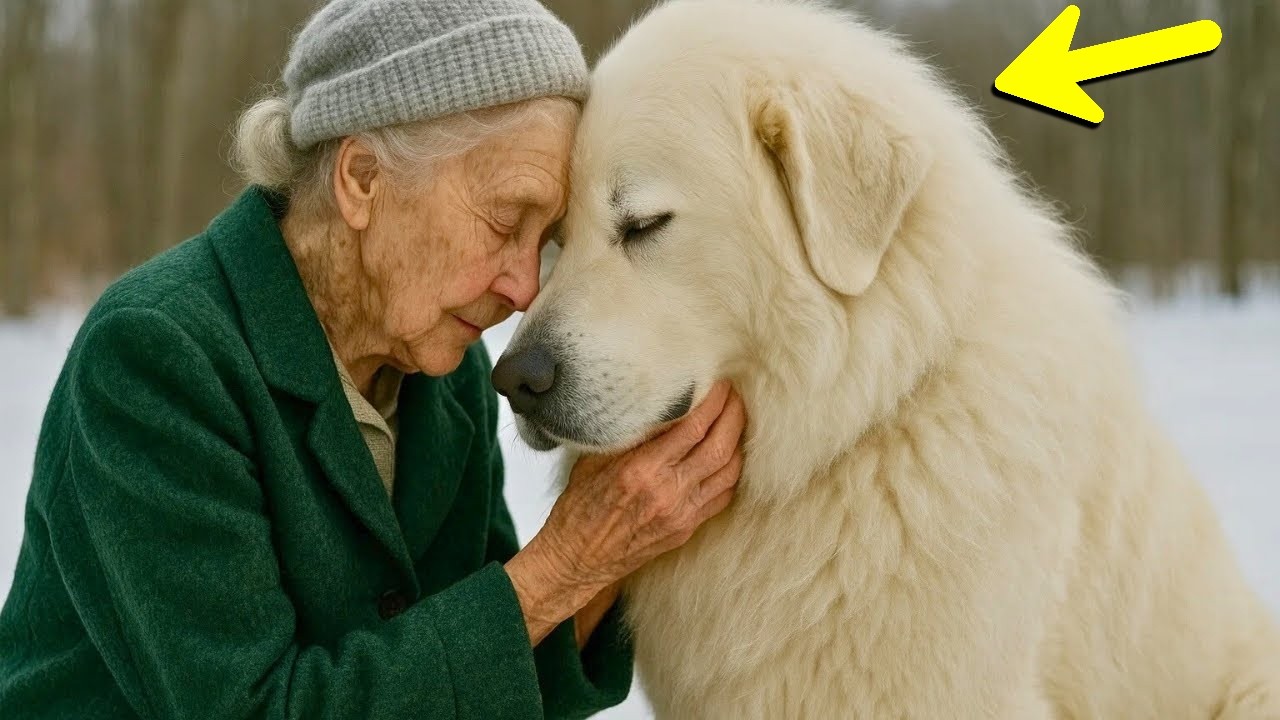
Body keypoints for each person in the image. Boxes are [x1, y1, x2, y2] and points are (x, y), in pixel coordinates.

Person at [0, 0, 747, 717]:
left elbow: (488, 685)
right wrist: (565, 563)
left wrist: (613, 541)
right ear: (360, 181)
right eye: (504, 221)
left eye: (543, 238)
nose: (524, 289)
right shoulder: (157, 357)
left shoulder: (444, 377)